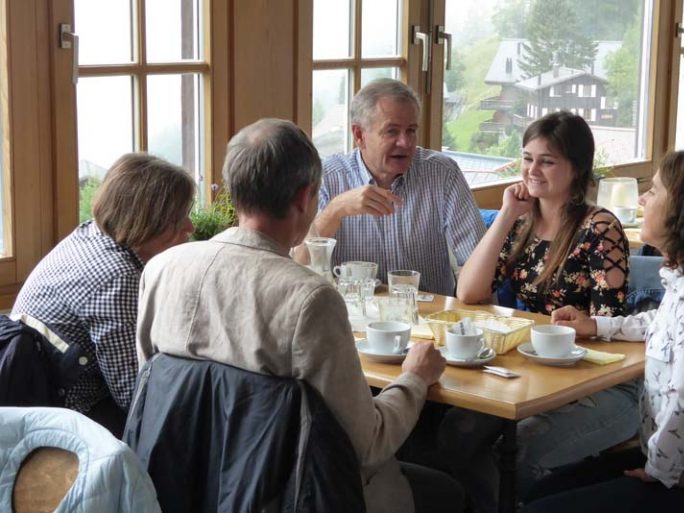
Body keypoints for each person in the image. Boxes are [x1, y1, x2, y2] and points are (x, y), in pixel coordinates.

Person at [136, 119, 465, 513]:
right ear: (305, 197)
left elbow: (159, 395)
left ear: (232, 190)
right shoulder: (309, 297)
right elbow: (366, 447)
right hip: (293, 495)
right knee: (449, 492)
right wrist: (414, 378)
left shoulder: (161, 269)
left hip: (182, 490)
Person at [524, 150, 684, 513]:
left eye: (653, 191)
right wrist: (597, 325)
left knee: (540, 507)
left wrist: (660, 471)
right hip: (683, 455)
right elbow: (661, 322)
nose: (642, 199)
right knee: (539, 493)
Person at [438, 111, 636, 512]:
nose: (532, 170)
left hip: (598, 382)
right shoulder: (521, 222)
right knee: (456, 432)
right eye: (527, 158)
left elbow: (610, 328)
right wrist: (506, 215)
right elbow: (469, 292)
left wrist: (581, 326)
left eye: (547, 161)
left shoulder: (599, 228)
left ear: (576, 168)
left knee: (519, 451)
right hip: (532, 370)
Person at [11, 153, 196, 435]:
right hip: (68, 419)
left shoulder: (90, 234)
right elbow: (134, 395)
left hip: (44, 397)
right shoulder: (115, 277)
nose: (190, 227)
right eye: (178, 219)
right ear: (147, 221)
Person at [294, 78, 486, 296]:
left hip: (430, 313)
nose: (405, 143)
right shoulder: (328, 178)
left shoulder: (442, 173)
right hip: (353, 313)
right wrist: (335, 210)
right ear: (359, 135)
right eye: (392, 131)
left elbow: (479, 262)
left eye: (411, 130)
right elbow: (298, 267)